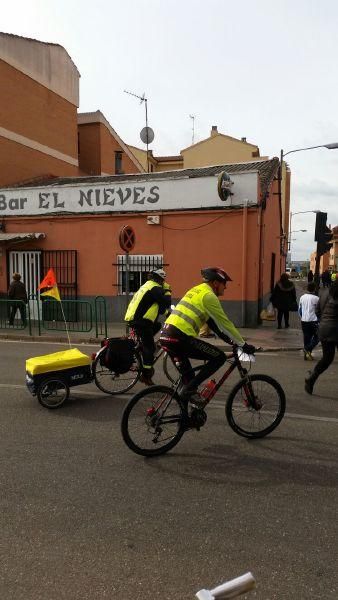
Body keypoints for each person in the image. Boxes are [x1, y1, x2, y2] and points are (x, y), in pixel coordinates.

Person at [159, 267, 255, 406]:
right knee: (219, 357)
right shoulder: (209, 296)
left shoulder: (196, 290)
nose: (225, 287)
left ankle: (184, 418)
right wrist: (242, 344)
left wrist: (228, 340)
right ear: (216, 283)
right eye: (224, 283)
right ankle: (188, 391)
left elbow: (212, 322)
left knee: (189, 379)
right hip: (180, 337)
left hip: (166, 336)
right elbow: (224, 323)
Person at [125, 268, 171, 385]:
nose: (163, 283)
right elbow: (166, 303)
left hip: (135, 319)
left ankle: (142, 348)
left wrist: (168, 314)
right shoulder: (155, 288)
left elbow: (160, 308)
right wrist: (167, 290)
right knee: (149, 347)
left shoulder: (146, 286)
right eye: (163, 281)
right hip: (141, 321)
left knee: (157, 325)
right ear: (160, 280)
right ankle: (146, 375)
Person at [305, 281, 338, 394]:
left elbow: (317, 311)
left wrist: (323, 321)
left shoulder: (325, 292)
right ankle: (311, 379)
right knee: (328, 358)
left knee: (327, 358)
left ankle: (311, 379)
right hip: (334, 329)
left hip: (324, 329)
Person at [299, 282, 319, 360]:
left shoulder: (302, 297)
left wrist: (302, 317)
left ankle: (307, 355)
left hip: (304, 320)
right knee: (318, 337)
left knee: (306, 338)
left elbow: (300, 310)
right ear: (314, 289)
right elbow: (318, 310)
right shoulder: (316, 299)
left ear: (307, 289)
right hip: (313, 320)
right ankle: (307, 349)